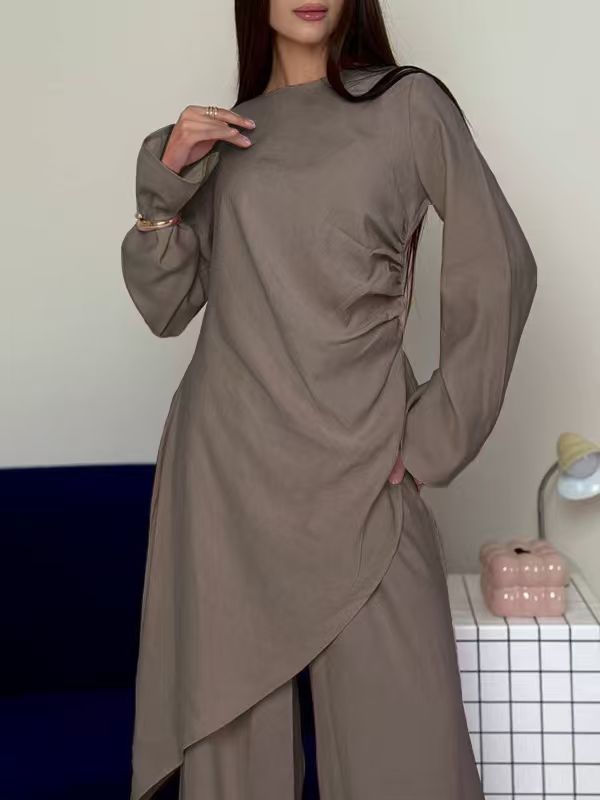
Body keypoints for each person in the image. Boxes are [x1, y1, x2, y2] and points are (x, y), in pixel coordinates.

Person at [120, 1, 538, 798]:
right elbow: (166, 305)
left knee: (408, 759)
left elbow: (500, 267)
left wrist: (433, 437)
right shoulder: (229, 136)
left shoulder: (408, 104)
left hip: (364, 468)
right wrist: (163, 184)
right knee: (236, 768)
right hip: (228, 481)